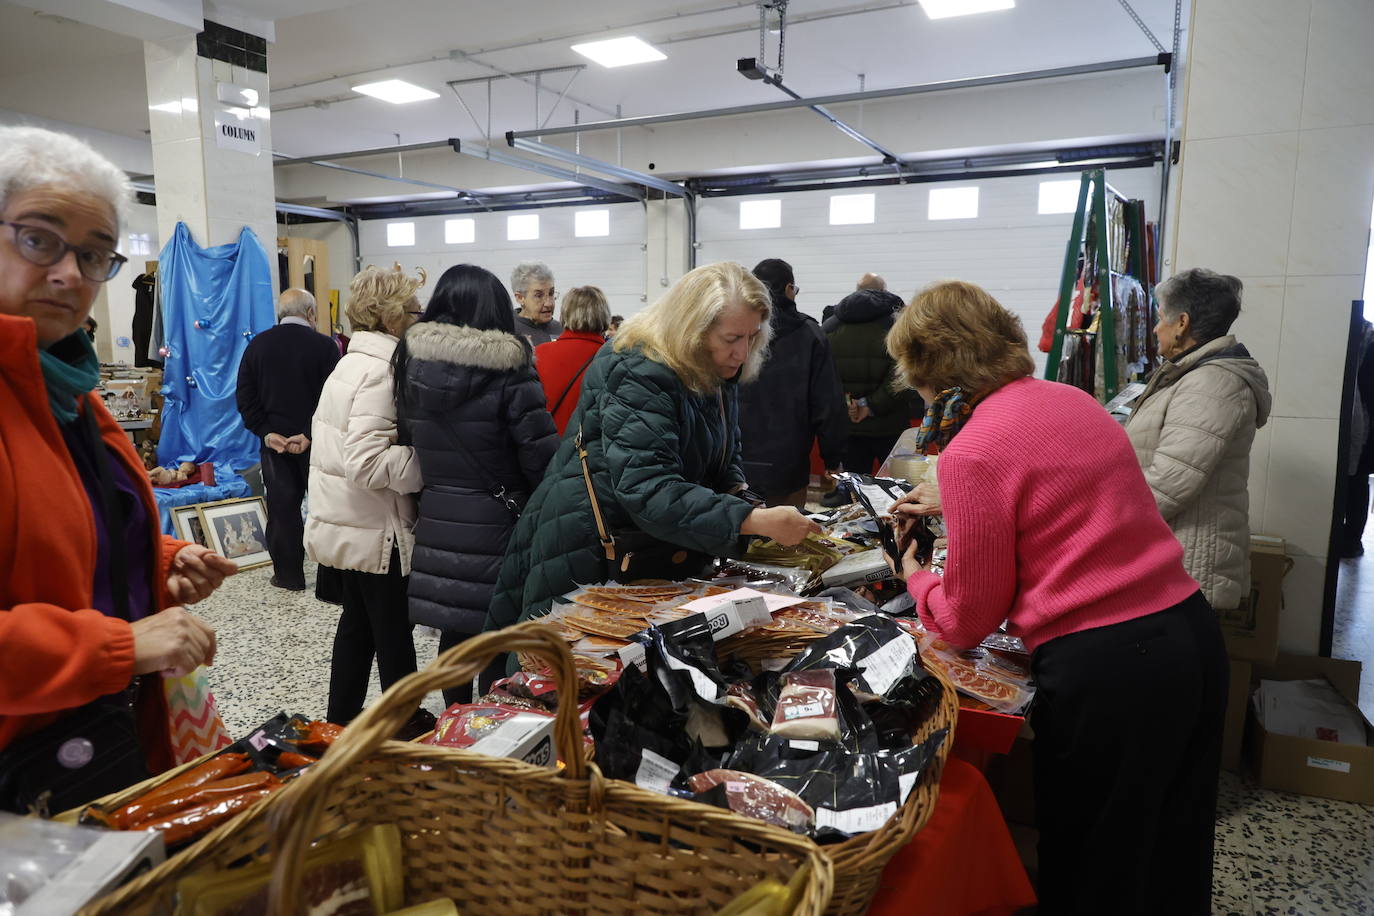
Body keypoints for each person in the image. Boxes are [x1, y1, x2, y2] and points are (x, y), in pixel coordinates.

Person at [886, 280, 1225, 915]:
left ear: (932, 370)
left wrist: (915, 575)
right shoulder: (1070, 400)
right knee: (1170, 849)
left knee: (1093, 860)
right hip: (1189, 633)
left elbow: (966, 619)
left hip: (1112, 668)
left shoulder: (973, 450)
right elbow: (1059, 500)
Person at [0, 126, 234, 812]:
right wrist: (116, 646)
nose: (71, 273)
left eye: (95, 254)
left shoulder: (69, 387)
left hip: (88, 746)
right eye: (38, 238)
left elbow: (65, 530)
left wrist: (156, 558)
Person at [486, 262, 822, 631]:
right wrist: (751, 520)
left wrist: (740, 493)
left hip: (649, 547)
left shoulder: (713, 367)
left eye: (752, 337)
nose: (742, 353)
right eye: (731, 339)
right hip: (593, 548)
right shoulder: (639, 366)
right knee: (560, 669)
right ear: (693, 329)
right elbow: (648, 489)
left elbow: (724, 454)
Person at [395, 264, 559, 703]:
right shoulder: (511, 368)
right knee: (497, 634)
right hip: (499, 520)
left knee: (454, 631)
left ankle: (455, 720)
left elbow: (410, 440)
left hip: (438, 514)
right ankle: (490, 728)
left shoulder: (412, 367)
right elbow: (540, 456)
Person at [304, 264, 431, 736]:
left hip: (350, 521)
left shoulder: (351, 361)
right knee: (393, 632)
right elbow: (366, 461)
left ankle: (339, 720)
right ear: (393, 315)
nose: (419, 318)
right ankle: (407, 722)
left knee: (358, 625)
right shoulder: (382, 370)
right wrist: (426, 463)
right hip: (376, 529)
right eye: (414, 309)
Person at [1124, 269, 1271, 609]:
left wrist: (1102, 519)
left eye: (1160, 317)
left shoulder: (1212, 384)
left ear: (1182, 323)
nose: (1156, 327)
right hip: (1173, 558)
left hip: (1189, 566)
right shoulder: (1188, 374)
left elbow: (1170, 483)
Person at [235, 287, 340, 590]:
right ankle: (332, 582)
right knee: (327, 510)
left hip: (275, 445)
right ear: (311, 313)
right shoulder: (326, 347)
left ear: (280, 314)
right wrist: (309, 434)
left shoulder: (257, 346)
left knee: (282, 511)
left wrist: (267, 433)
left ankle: (289, 576)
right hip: (316, 445)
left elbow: (245, 396)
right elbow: (333, 399)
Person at [737, 258, 847, 508]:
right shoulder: (809, 335)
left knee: (738, 534)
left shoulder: (738, 330)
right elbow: (827, 403)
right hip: (788, 462)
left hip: (735, 459)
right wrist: (833, 458)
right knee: (783, 540)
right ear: (789, 289)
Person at [826, 283, 914, 476]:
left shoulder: (830, 326)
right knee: (896, 490)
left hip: (849, 426)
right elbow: (902, 376)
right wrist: (870, 405)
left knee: (856, 490)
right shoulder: (896, 326)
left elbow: (822, 378)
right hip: (890, 427)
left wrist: (848, 403)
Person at [534, 286, 611, 436]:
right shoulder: (612, 358)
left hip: (548, 448)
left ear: (565, 314)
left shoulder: (538, 353)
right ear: (604, 315)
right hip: (590, 453)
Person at [510, 260, 562, 345]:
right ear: (520, 298)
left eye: (551, 293)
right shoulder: (508, 333)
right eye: (539, 296)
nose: (549, 303)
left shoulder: (562, 330)